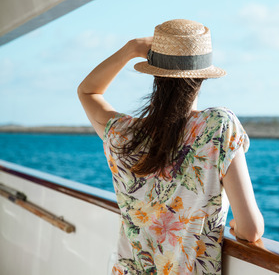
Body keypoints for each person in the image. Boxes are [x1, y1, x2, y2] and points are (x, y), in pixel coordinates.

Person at [78, 19, 264, 275]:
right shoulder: (217, 126)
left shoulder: (122, 134)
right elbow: (250, 230)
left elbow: (87, 92)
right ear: (203, 75)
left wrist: (130, 49)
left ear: (154, 74)